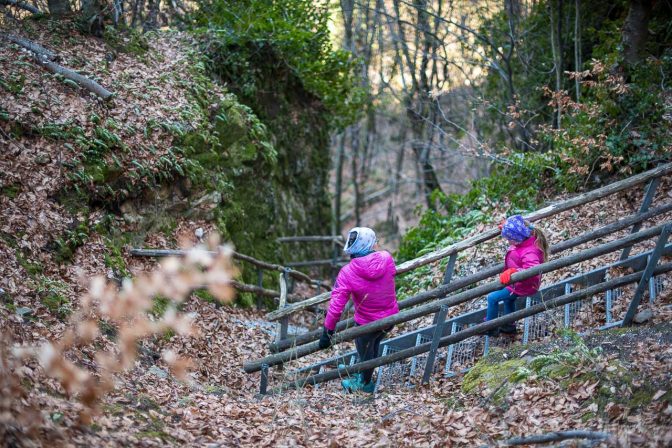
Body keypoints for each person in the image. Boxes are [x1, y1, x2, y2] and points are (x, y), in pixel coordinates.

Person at [318, 227, 398, 393]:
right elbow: (392, 273)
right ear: (370, 243)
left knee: (366, 349)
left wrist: (327, 332)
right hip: (390, 317)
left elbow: (336, 306)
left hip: (366, 323)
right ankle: (363, 373)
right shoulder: (386, 258)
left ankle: (365, 384)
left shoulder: (347, 272)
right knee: (374, 344)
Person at [486, 215, 549, 337]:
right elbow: (518, 227)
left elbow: (533, 270)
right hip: (518, 283)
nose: (508, 242)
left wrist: (514, 271)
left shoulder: (529, 252)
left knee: (492, 298)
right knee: (508, 300)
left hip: (522, 285)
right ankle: (509, 325)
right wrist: (508, 227)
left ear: (517, 238)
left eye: (510, 239)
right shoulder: (525, 237)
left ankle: (490, 327)